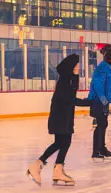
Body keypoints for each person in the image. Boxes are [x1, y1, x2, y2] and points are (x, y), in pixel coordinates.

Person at [27, 55, 91, 186]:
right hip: (60, 117)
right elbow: (70, 99)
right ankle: (49, 167)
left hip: (63, 116)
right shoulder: (65, 81)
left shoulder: (68, 80)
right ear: (71, 67)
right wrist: (91, 103)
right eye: (77, 65)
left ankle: (50, 167)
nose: (79, 67)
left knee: (61, 142)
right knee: (64, 142)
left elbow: (71, 96)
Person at [88, 45, 111, 160]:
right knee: (101, 125)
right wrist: (107, 102)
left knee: (103, 124)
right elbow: (99, 87)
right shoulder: (102, 68)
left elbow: (109, 87)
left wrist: (110, 101)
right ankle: (97, 150)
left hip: (105, 101)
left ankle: (101, 149)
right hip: (98, 101)